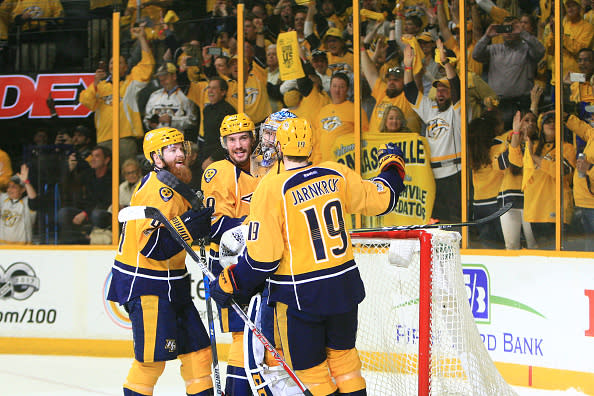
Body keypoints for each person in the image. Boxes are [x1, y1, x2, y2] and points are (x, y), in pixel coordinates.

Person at [209, 117, 405, 396]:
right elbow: (382, 198)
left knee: (312, 374)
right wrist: (392, 166)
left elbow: (263, 260)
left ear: (278, 145)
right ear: (312, 145)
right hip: (344, 289)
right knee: (346, 364)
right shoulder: (336, 174)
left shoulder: (272, 188)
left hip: (301, 298)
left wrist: (229, 282)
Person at [107, 127, 214, 396]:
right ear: (156, 157)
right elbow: (153, 247)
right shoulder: (157, 190)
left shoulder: (176, 184)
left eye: (181, 148)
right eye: (171, 150)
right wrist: (190, 226)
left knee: (198, 353)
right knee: (150, 362)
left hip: (171, 282)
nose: (180, 154)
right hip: (147, 285)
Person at [201, 113, 260, 395]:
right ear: (224, 144)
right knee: (243, 332)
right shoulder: (220, 172)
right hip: (231, 265)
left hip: (259, 260)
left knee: (260, 332)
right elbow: (214, 226)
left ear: (253, 138)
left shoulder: (263, 168)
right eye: (232, 140)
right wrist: (258, 225)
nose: (238, 145)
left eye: (243, 138)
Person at [404, 41, 462, 223]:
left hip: (454, 174)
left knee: (456, 222)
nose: (441, 92)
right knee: (436, 221)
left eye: (445, 89)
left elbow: (457, 85)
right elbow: (410, 91)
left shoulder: (457, 111)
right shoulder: (430, 110)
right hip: (432, 175)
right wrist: (407, 66)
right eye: (439, 89)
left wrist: (445, 63)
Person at [79, 25, 154, 163]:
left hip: (125, 139)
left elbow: (147, 65)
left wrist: (142, 38)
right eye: (112, 63)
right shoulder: (100, 87)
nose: (114, 65)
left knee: (128, 175)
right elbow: (86, 101)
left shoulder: (130, 83)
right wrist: (95, 82)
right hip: (104, 140)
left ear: (125, 67)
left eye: (119, 62)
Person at [509, 111, 577, 248]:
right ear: (541, 126)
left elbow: (561, 171)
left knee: (557, 254)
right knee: (544, 255)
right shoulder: (533, 145)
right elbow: (515, 160)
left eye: (555, 121)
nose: (551, 124)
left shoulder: (568, 148)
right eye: (548, 121)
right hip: (535, 210)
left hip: (556, 209)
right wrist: (516, 133)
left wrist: (533, 156)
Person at [472, 16, 545, 129]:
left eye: (512, 28)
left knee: (522, 138)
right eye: (505, 28)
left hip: (522, 103)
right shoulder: (494, 49)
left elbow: (540, 51)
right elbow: (476, 55)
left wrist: (523, 33)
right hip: (498, 105)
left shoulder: (526, 48)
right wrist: (487, 36)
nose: (509, 32)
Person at [497, 109, 539, 250]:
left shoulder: (540, 143)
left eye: (533, 120)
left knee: (534, 244)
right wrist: (516, 136)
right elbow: (502, 164)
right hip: (510, 197)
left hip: (531, 198)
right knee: (511, 245)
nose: (530, 123)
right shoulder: (508, 139)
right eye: (526, 120)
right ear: (518, 124)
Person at [58, 146, 112, 244]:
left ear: (106, 160)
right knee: (64, 213)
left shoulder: (112, 176)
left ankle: (94, 239)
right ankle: (74, 241)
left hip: (103, 213)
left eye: (97, 156)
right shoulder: (88, 174)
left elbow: (106, 202)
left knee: (97, 214)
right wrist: (70, 170)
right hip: (86, 212)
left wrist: (85, 213)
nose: (93, 159)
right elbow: (67, 189)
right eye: (92, 156)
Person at [312, 72, 368, 165]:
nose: (337, 90)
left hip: (345, 163)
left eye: (341, 87)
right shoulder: (323, 111)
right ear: (330, 88)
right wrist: (316, 163)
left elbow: (365, 137)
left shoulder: (356, 110)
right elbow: (318, 141)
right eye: (334, 86)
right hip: (324, 164)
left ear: (347, 89)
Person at [468, 111, 506, 247]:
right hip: (496, 203)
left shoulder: (471, 151)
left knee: (489, 248)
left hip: (479, 206)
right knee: (505, 248)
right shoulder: (498, 146)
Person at [144, 62, 198, 141]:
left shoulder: (186, 96)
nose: (162, 82)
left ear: (174, 76)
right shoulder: (154, 95)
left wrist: (172, 120)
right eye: (160, 79)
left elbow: (193, 120)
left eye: (165, 78)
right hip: (157, 141)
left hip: (178, 141)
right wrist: (150, 124)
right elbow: (146, 119)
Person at [566, 114, 594, 251]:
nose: (592, 117)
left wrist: (590, 168)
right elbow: (584, 129)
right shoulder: (593, 135)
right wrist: (566, 118)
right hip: (584, 202)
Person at [199, 77, 238, 172]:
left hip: (221, 157)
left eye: (214, 88)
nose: (210, 91)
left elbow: (229, 140)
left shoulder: (229, 111)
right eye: (209, 88)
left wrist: (213, 158)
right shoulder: (207, 110)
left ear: (223, 92)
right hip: (206, 155)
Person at [0, 165, 38, 244]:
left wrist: (26, 182)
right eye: (9, 187)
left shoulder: (26, 202)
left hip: (22, 249)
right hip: (3, 248)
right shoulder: (4, 199)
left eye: (14, 187)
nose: (10, 190)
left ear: (23, 189)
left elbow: (33, 199)